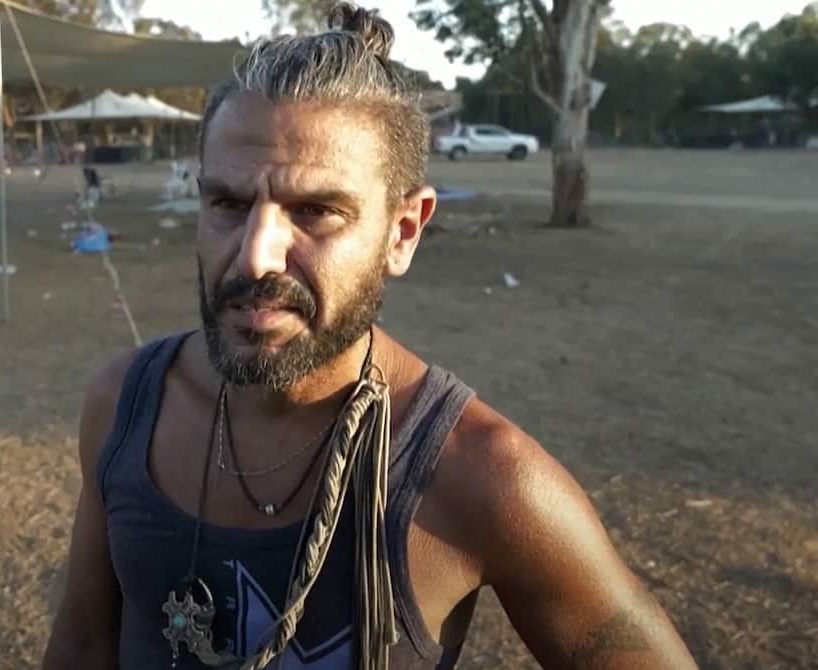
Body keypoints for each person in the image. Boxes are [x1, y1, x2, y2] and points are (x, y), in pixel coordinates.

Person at [41, 3, 697, 670]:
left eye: (317, 212)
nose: (254, 258)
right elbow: (84, 640)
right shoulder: (124, 405)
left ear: (403, 232)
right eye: (228, 205)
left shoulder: (482, 475)